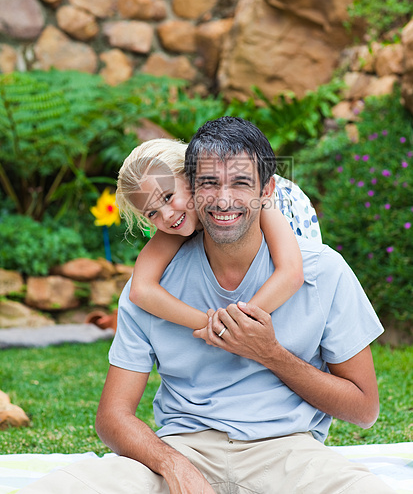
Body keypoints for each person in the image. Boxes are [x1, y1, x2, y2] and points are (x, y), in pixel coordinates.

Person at [20, 117, 394, 494]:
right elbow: (113, 413)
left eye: (240, 183)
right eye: (210, 184)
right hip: (183, 447)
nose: (223, 199)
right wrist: (172, 464)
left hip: (288, 451)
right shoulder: (157, 270)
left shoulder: (320, 267)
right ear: (195, 188)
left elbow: (363, 410)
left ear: (267, 190)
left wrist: (265, 348)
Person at [116, 138, 321, 330]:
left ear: (191, 178)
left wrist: (235, 325)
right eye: (152, 213)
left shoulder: (257, 198)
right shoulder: (175, 218)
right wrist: (210, 324)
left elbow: (291, 272)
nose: (167, 215)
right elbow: (140, 290)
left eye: (169, 197)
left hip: (289, 222)